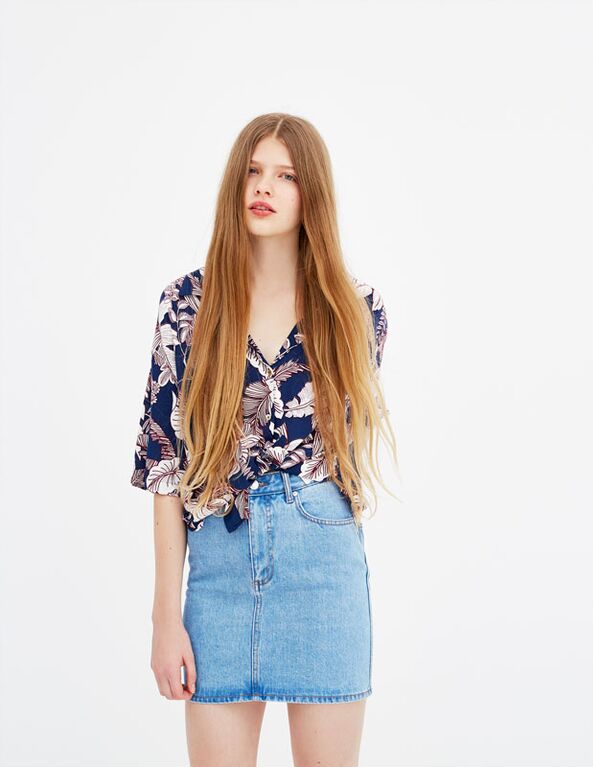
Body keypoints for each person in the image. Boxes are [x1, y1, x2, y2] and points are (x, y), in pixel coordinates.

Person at [130, 112, 398, 767]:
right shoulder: (186, 305)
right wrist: (165, 617)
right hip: (219, 568)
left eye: (286, 175)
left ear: (312, 194)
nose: (265, 186)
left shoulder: (356, 308)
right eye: (253, 171)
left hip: (322, 566)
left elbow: (342, 445)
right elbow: (164, 465)